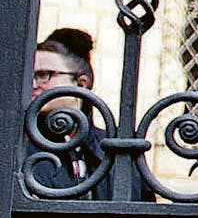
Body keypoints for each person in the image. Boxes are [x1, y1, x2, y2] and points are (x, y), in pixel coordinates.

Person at [29, 28, 151, 201]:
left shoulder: (116, 146)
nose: (33, 84)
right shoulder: (17, 145)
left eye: (44, 75)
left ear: (81, 83)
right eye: (29, 75)